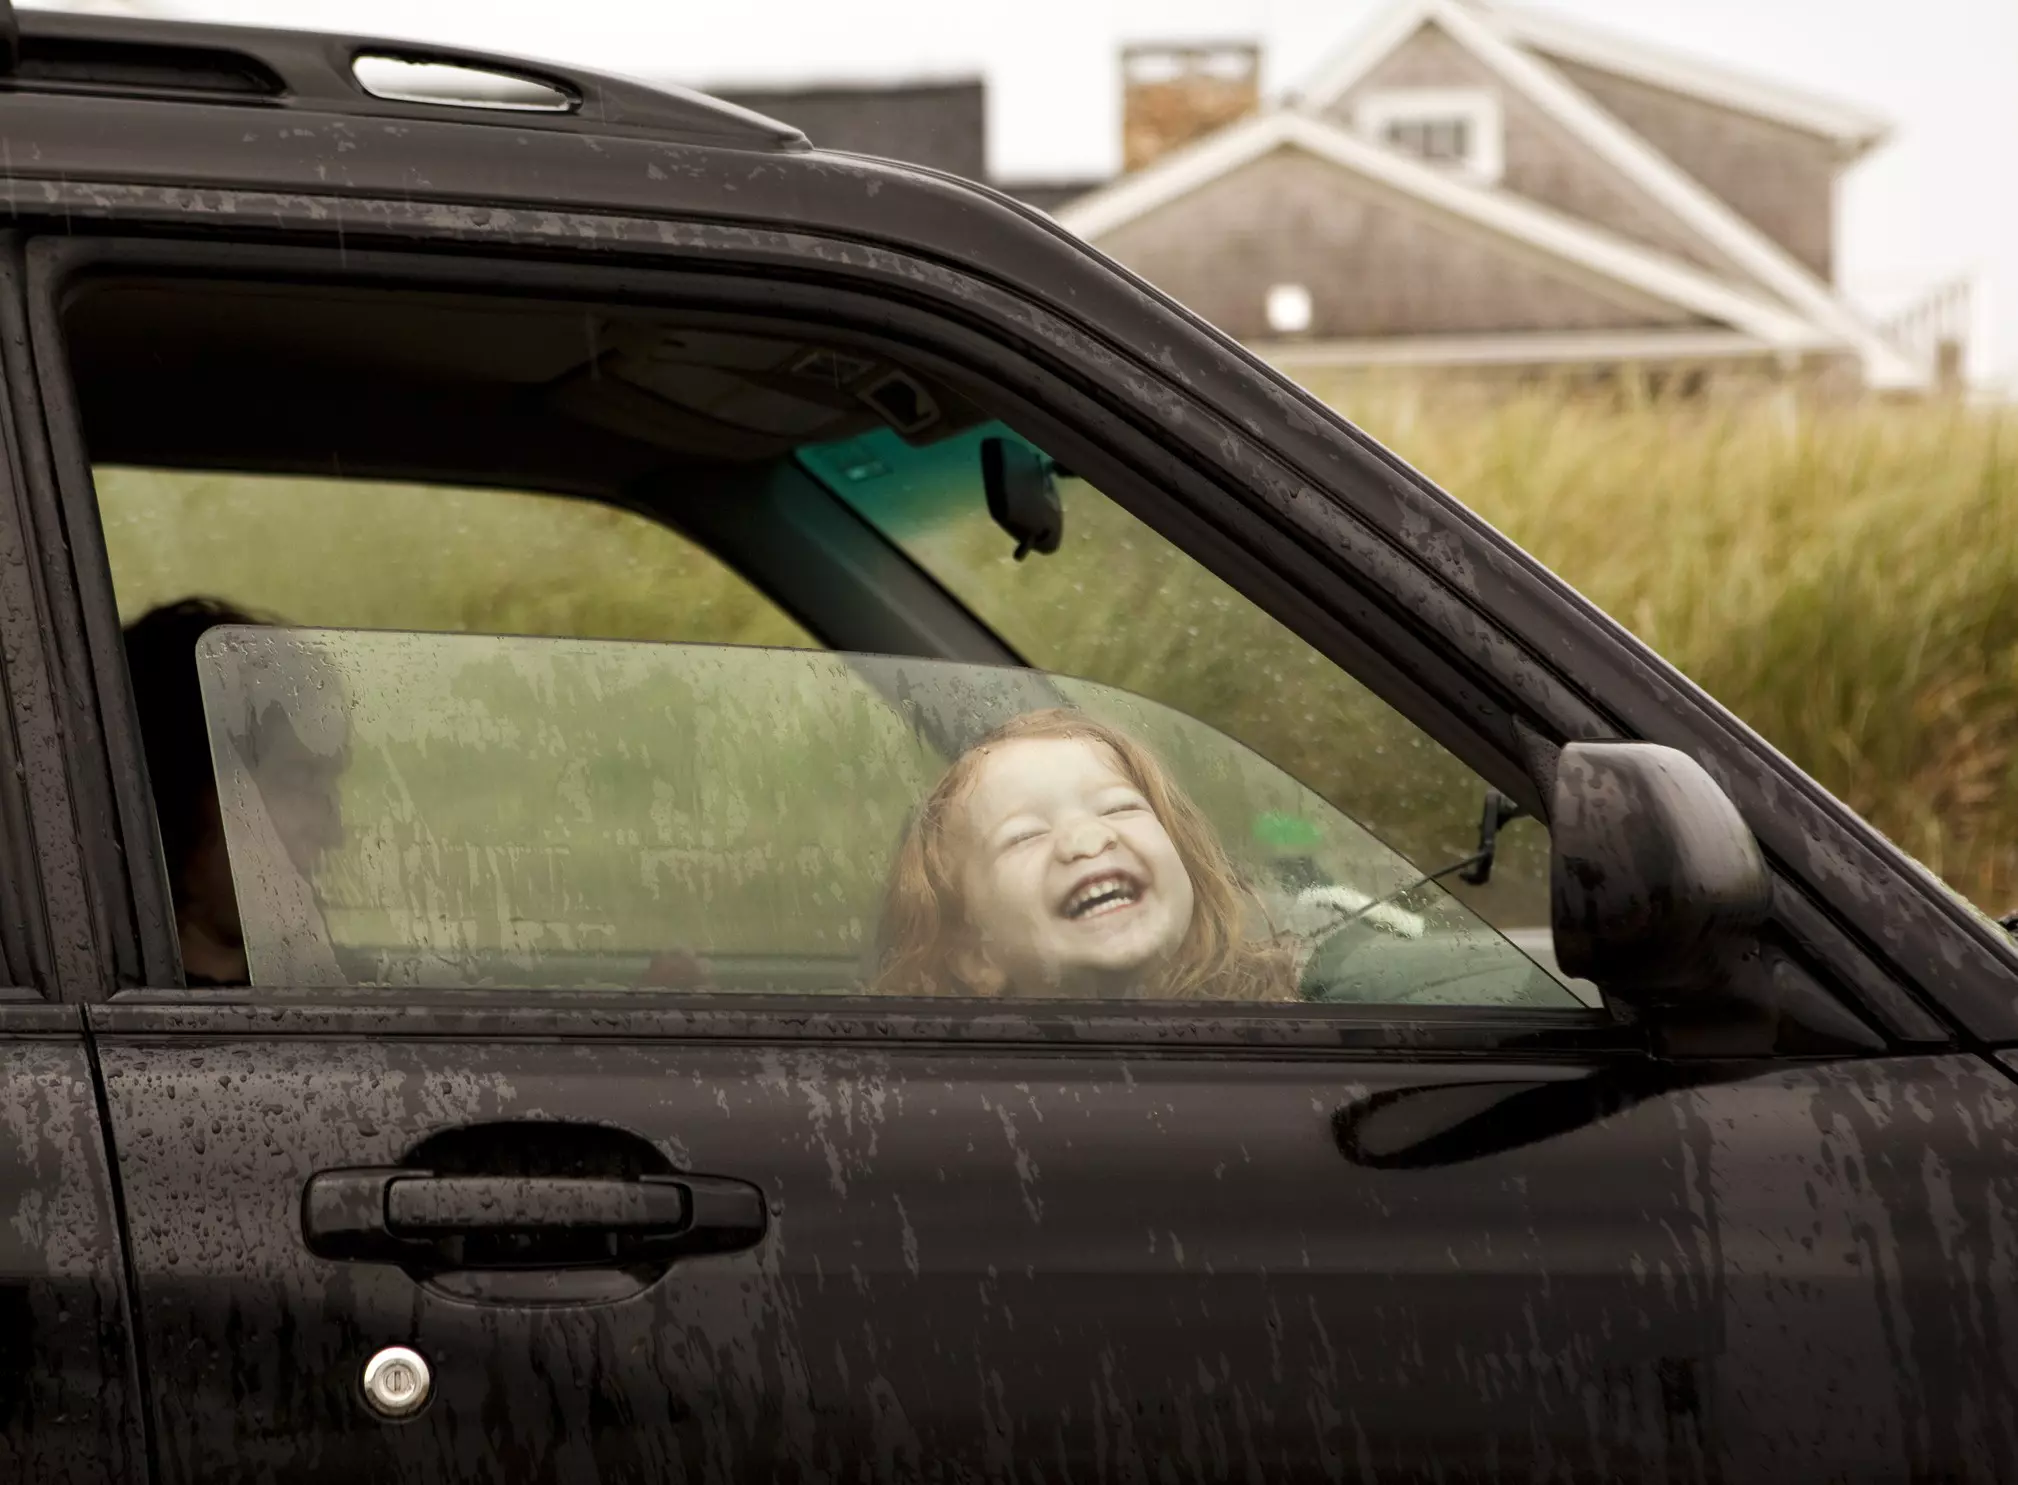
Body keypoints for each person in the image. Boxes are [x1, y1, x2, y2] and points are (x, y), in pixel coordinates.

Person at [871, 708, 1297, 1000]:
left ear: (1189, 873)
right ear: (973, 955)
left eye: (1120, 807)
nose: (1088, 839)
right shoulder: (985, 1104)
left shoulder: (1310, 998)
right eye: (1024, 835)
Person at [123, 596, 349, 986]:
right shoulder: (119, 1025)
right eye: (296, 780)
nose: (333, 833)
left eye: (328, 783)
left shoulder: (331, 989)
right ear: (179, 795)